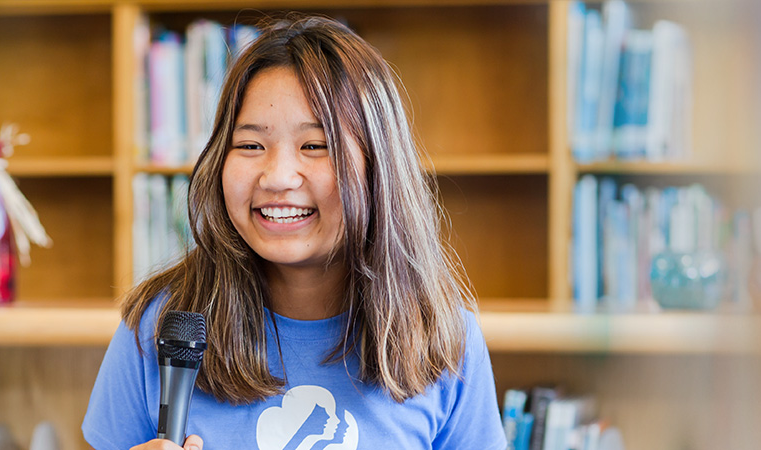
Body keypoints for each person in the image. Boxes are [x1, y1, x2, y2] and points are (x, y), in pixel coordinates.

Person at [82, 14, 505, 450]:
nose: (278, 176)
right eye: (249, 145)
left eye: (315, 146)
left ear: (380, 168)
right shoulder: (161, 327)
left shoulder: (444, 336)